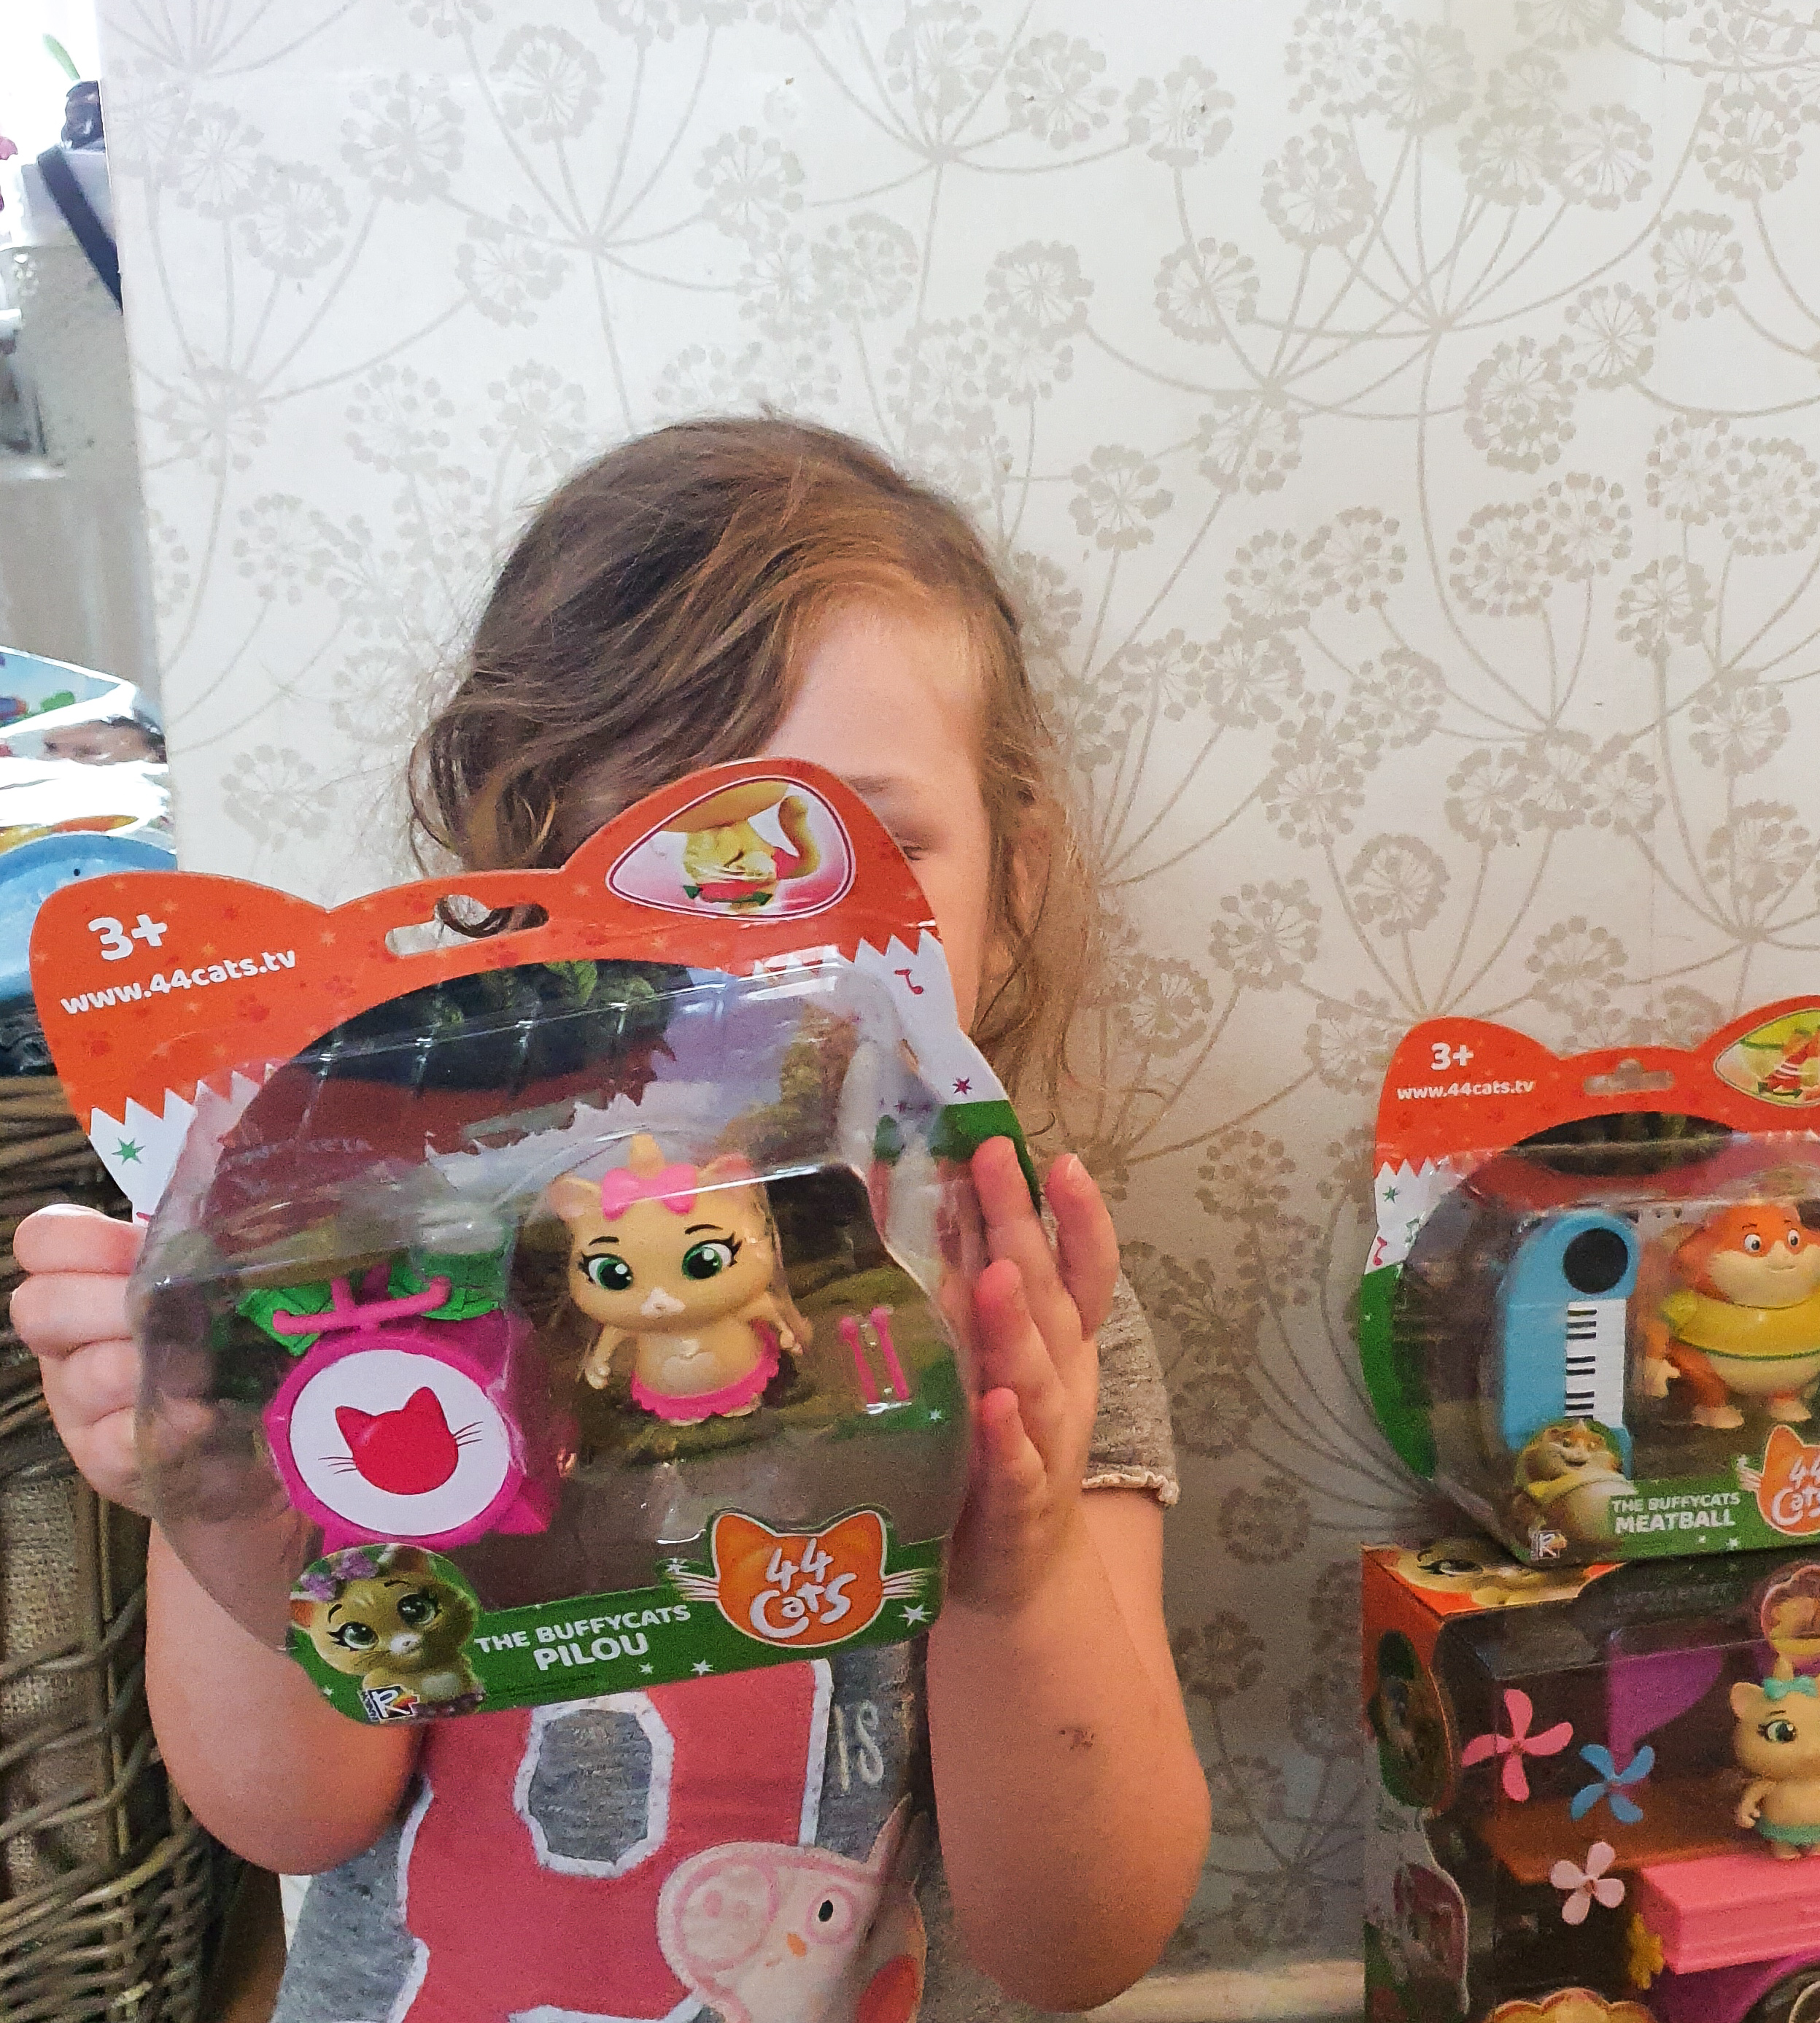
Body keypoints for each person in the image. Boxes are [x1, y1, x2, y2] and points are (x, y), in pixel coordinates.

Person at [12, 418, 1209, 2022]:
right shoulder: (391, 1270)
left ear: (1014, 886)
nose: (739, 947)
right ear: (510, 910)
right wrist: (230, 1513)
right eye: (639, 869)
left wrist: (1019, 1569)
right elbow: (289, 1813)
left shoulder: (1019, 1305)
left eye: (856, 846)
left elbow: (1078, 1942)